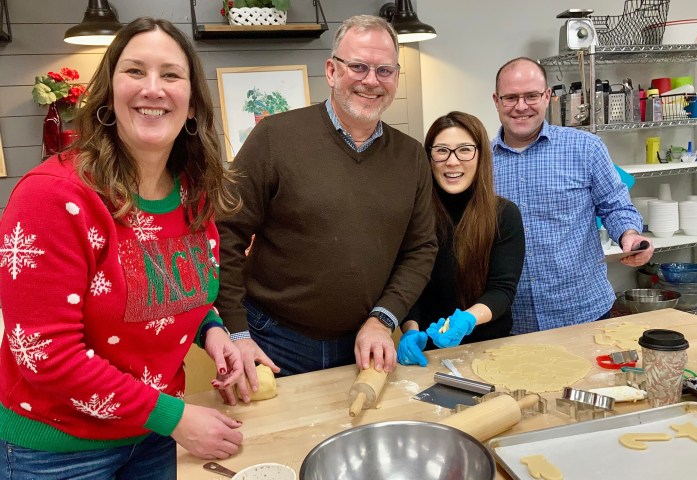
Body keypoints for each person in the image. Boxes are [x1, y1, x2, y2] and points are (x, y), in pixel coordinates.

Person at [0, 17, 246, 479]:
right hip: (59, 450)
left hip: (150, 437)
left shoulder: (194, 191)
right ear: (108, 95)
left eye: (171, 75)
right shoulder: (52, 197)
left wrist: (212, 330)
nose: (153, 88)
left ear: (192, 104)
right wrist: (175, 418)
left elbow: (168, 284)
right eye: (135, 71)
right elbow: (46, 355)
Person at [215, 14, 437, 394]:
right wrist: (235, 331)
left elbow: (421, 249)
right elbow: (224, 235)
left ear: (397, 78)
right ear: (332, 71)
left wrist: (383, 319)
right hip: (272, 341)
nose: (371, 80)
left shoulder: (412, 156)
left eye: (384, 69)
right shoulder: (273, 137)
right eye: (359, 67)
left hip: (365, 345)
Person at [490, 57, 654, 335]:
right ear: (496, 100)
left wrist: (629, 235)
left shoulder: (586, 148)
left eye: (531, 96)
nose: (521, 106)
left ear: (547, 96)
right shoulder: (479, 160)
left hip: (582, 309)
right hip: (511, 318)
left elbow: (615, 206)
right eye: (510, 97)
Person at [397, 112, 525, 367]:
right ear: (429, 157)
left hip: (490, 349)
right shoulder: (413, 217)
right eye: (441, 151)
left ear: (481, 156)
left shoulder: (504, 215)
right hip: (428, 355)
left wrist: (467, 320)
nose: (452, 161)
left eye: (465, 150)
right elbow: (408, 288)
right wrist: (411, 330)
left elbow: (502, 290)